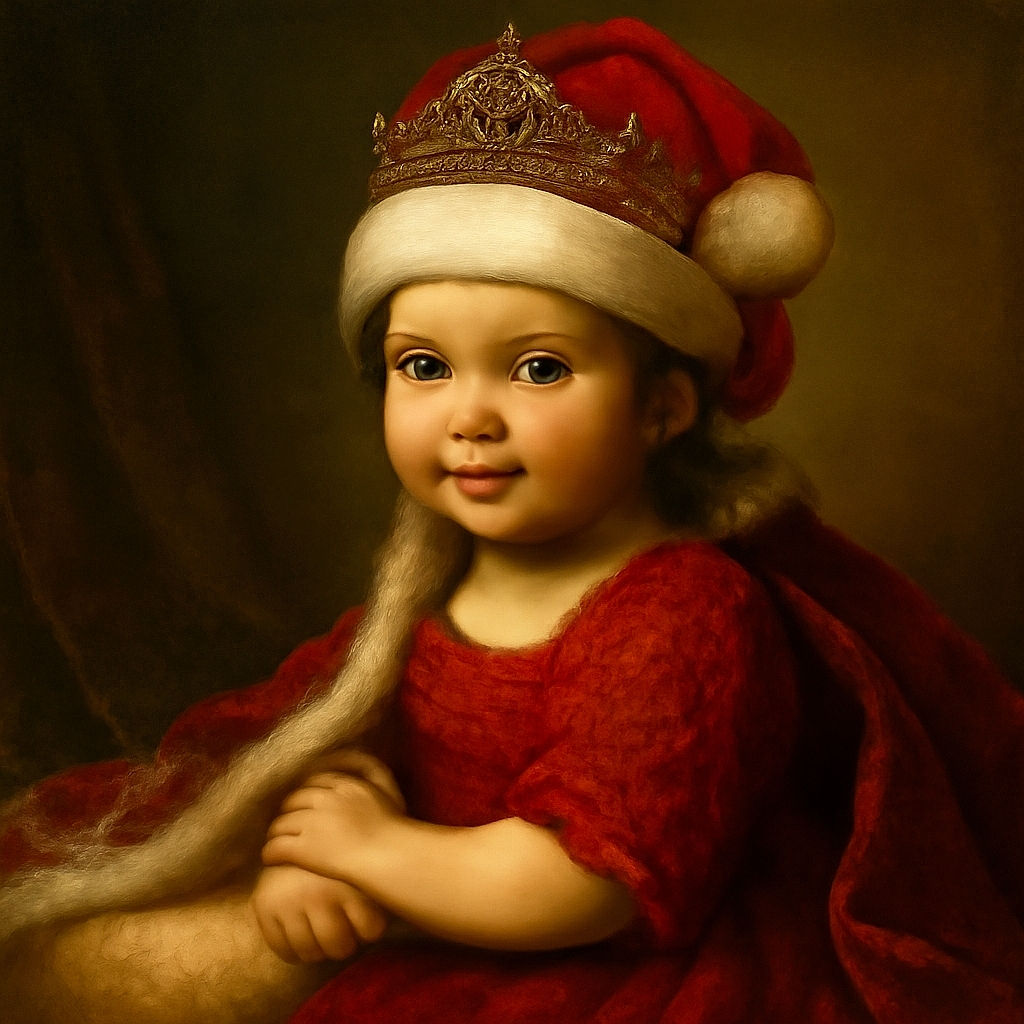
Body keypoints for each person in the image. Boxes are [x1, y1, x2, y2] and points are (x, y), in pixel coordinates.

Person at [1, 17, 1022, 1024]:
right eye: (423, 365)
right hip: (438, 897)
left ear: (662, 406)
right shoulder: (441, 576)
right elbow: (349, 734)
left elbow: (585, 886)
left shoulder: (683, 613)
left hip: (605, 965)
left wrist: (375, 853)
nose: (470, 417)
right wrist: (326, 828)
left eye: (538, 368)